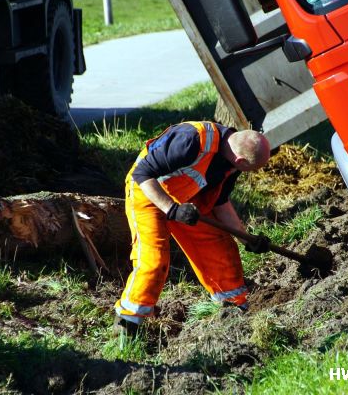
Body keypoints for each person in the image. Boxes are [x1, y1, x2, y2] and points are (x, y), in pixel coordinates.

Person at [114, 121, 272, 335]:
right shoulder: (190, 140)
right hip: (148, 194)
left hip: (186, 201)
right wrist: (171, 209)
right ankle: (127, 323)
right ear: (241, 160)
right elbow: (142, 175)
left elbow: (220, 203)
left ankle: (233, 311)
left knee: (219, 249)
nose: (246, 172)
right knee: (154, 261)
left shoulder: (230, 162)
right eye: (250, 169)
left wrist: (247, 239)